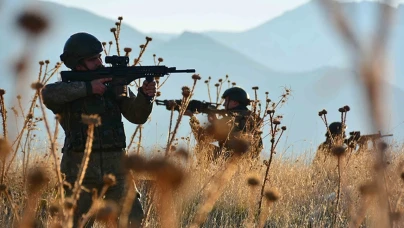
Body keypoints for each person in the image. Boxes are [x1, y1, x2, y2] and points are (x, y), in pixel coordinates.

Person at [41, 32, 156, 227]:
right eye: (93, 59)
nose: (100, 62)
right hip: (79, 171)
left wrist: (145, 97)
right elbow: (48, 94)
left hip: (117, 169)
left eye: (99, 57)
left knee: (134, 219)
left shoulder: (113, 86)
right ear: (78, 64)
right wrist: (88, 88)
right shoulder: (67, 89)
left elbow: (137, 116)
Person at [184, 86, 263, 161]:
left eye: (226, 101)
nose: (224, 104)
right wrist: (216, 122)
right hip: (249, 161)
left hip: (232, 160)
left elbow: (202, 138)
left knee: (202, 147)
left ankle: (205, 174)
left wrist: (192, 117)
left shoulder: (231, 118)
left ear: (235, 102)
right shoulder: (250, 117)